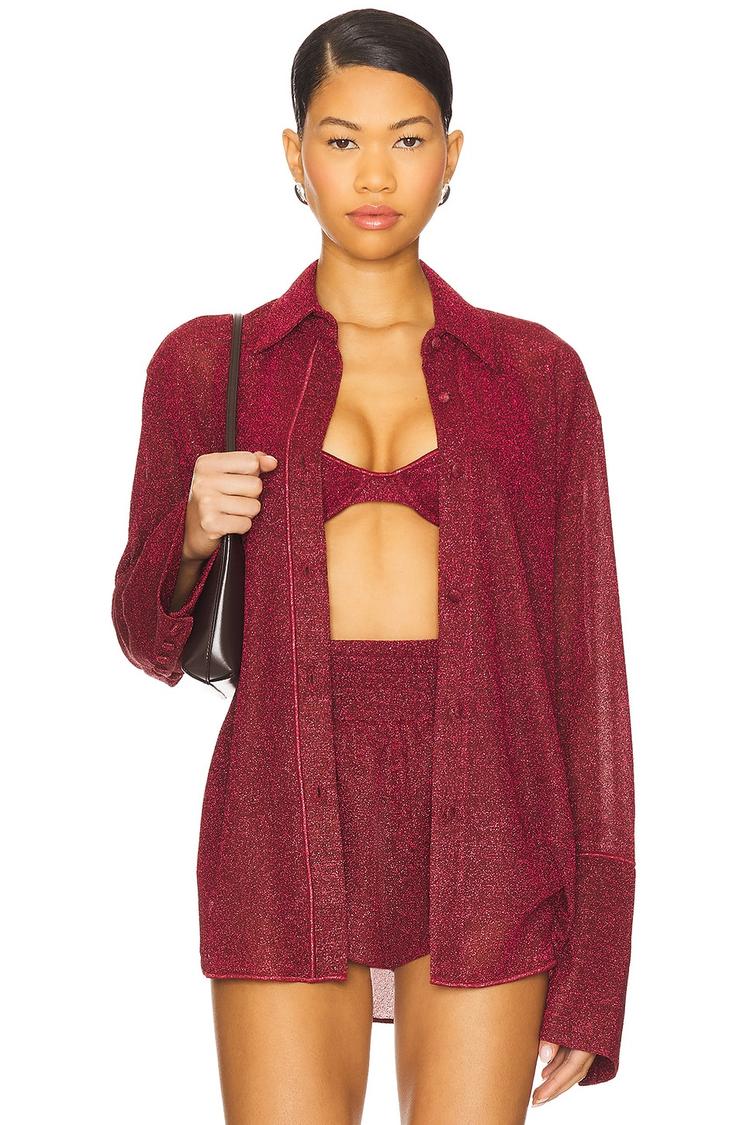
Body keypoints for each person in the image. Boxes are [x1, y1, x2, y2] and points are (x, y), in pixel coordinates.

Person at [111, 10, 636, 1123]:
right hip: (279, 824)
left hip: (497, 827)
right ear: (294, 154)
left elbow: (588, 677)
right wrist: (192, 532)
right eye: (341, 139)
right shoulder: (208, 362)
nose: (376, 173)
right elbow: (143, 637)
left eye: (408, 138)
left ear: (453, 154)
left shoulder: (536, 374)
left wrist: (599, 968)